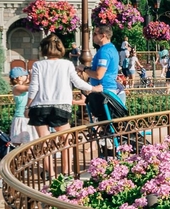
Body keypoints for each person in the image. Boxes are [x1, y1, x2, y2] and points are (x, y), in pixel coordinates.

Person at [27, 34, 96, 171]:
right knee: (66, 140)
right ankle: (66, 172)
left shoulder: (38, 65)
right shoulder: (67, 64)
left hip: (39, 106)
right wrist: (94, 88)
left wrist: (28, 105)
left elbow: (34, 87)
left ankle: (51, 174)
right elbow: (77, 82)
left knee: (43, 141)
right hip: (61, 105)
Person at [81, 26, 120, 124]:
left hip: (104, 91)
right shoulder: (111, 48)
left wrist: (84, 69)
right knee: (106, 124)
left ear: (103, 36)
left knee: (106, 124)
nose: (92, 36)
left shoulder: (104, 51)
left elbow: (99, 75)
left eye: (95, 34)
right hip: (106, 89)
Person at [8, 68, 37, 146]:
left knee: (30, 142)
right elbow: (32, 88)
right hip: (21, 118)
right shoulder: (16, 88)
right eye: (26, 75)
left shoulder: (22, 86)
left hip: (27, 117)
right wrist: (32, 76)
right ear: (19, 77)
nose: (27, 77)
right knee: (20, 143)